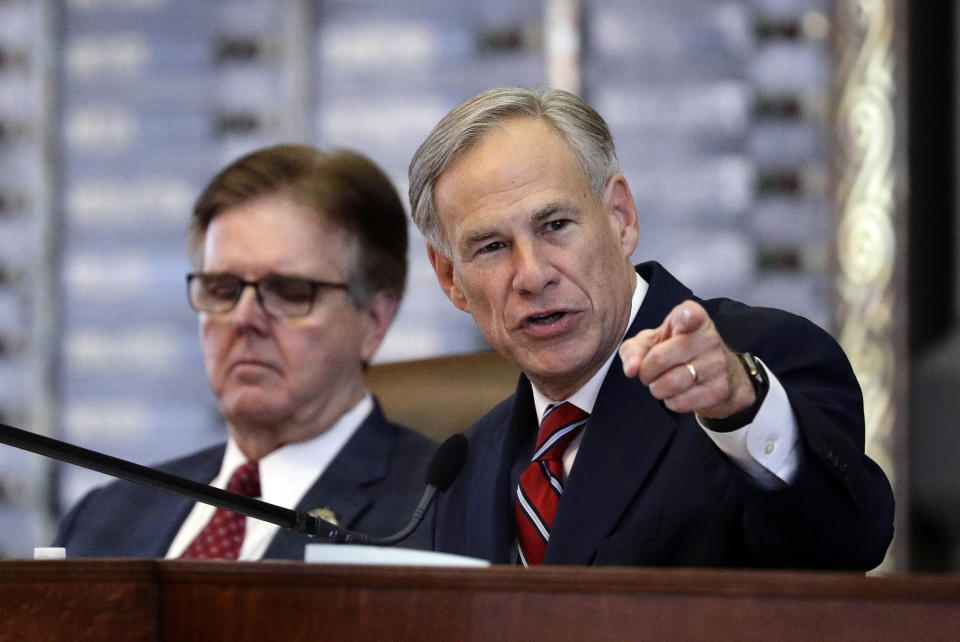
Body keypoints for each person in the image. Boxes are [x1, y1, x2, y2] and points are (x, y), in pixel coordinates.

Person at [408, 87, 894, 568]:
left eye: (555, 225)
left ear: (621, 217)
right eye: (492, 247)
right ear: (451, 277)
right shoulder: (462, 470)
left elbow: (844, 546)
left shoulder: (762, 368)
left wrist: (741, 411)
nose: (533, 275)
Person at [55, 144, 437, 559]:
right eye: (222, 289)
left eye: (289, 292)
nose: (243, 319)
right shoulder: (103, 519)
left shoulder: (438, 513)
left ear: (375, 320)